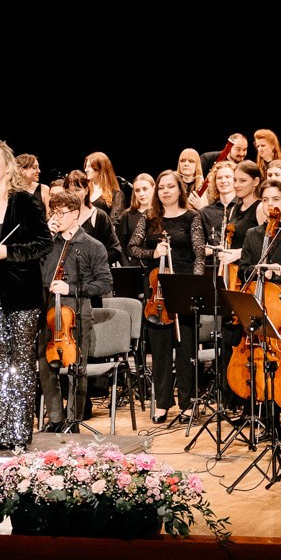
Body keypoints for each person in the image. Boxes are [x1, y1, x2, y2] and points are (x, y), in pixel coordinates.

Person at [0, 140, 51, 451]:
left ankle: (20, 431)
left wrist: (9, 252)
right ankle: (2, 434)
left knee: (22, 362)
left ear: (7, 166)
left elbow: (44, 243)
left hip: (23, 293)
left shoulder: (26, 202)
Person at [124, 169, 202, 425]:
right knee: (159, 351)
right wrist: (153, 252)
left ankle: (188, 403)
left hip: (182, 287)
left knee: (185, 348)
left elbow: (199, 255)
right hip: (156, 290)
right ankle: (162, 403)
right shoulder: (149, 218)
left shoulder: (192, 217)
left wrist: (193, 286)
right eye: (161, 187)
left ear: (180, 189)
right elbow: (132, 248)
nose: (166, 191)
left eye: (171, 186)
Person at [40, 185, 115, 431]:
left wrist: (70, 289)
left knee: (76, 368)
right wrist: (44, 241)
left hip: (78, 314)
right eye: (54, 212)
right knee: (46, 365)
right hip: (48, 313)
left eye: (62, 213)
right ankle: (55, 417)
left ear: (75, 213)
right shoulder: (47, 244)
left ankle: (73, 419)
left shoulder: (92, 246)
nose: (57, 217)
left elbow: (104, 284)